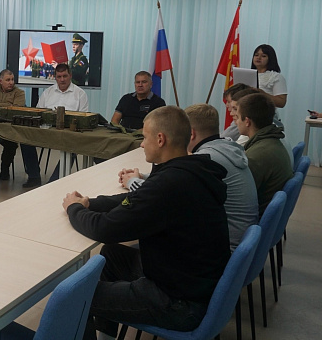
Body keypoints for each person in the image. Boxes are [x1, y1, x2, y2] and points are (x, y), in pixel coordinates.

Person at [62, 106, 230, 340]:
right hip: (190, 279)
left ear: (160, 139)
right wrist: (92, 204)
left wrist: (74, 209)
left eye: (144, 137)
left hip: (180, 302)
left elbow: (106, 229)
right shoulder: (188, 171)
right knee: (111, 255)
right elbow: (136, 200)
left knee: (74, 296)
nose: (141, 144)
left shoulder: (169, 184)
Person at [119, 104, 258, 250]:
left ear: (190, 134)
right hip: (236, 240)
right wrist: (144, 176)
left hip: (221, 248)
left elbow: (160, 195)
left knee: (134, 241)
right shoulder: (224, 148)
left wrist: (132, 182)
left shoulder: (206, 160)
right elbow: (175, 183)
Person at [236, 93, 294, 216]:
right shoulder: (271, 141)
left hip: (253, 217)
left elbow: (238, 196)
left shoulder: (258, 155)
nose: (235, 122)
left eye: (237, 117)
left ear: (247, 121)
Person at [34, 63, 89, 184]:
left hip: (69, 133)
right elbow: (39, 113)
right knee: (26, 139)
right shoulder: (47, 92)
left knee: (72, 145)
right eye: (59, 77)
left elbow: (83, 118)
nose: (62, 80)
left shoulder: (80, 94)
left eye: (65, 76)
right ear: (55, 77)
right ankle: (34, 177)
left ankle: (54, 182)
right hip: (48, 131)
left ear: (70, 75)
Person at [0, 69, 26, 180]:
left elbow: (16, 109)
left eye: (12, 79)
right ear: (1, 81)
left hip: (9, 127)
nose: (11, 82)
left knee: (11, 143)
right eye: (8, 80)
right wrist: (7, 105)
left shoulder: (19, 93)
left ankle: (5, 168)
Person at [251, 44, 287, 108]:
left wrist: (263, 94)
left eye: (263, 56)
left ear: (270, 59)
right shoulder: (249, 75)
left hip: (267, 115)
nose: (258, 58)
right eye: (256, 55)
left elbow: (282, 103)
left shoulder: (276, 77)